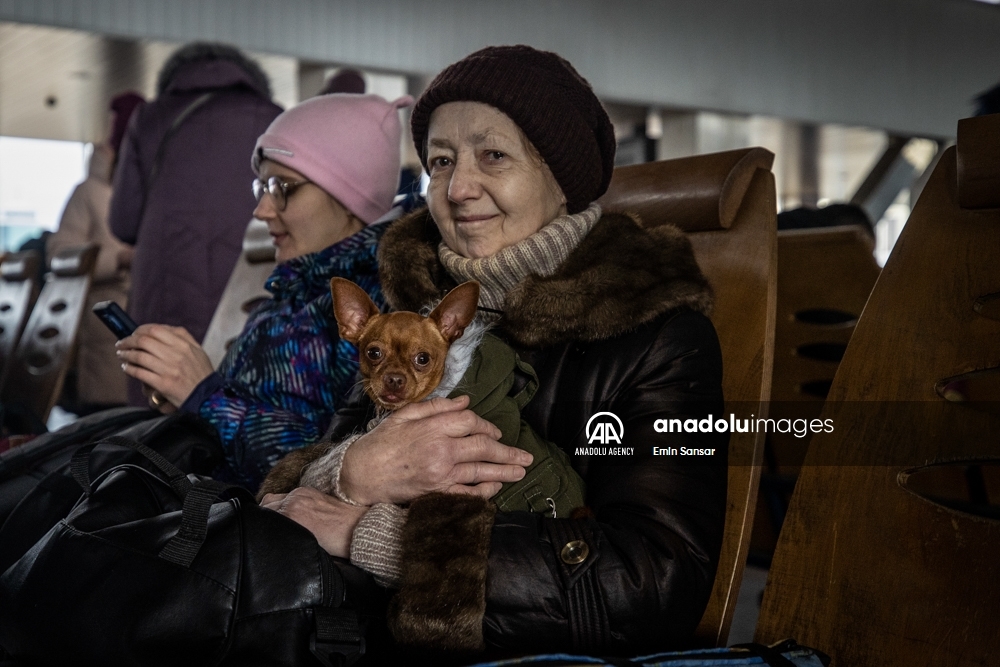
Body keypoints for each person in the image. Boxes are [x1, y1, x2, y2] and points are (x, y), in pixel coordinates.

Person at [262, 45, 728, 658]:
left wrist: (378, 538)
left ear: (561, 181)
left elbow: (655, 579)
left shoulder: (662, 336)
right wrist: (350, 471)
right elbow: (321, 469)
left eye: (493, 156)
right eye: (440, 161)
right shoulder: (414, 316)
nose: (457, 188)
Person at [115, 93, 415, 491]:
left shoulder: (373, 312)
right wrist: (186, 398)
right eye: (262, 186)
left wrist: (206, 397)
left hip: (239, 530)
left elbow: (329, 467)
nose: (261, 210)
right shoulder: (297, 287)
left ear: (349, 198)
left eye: (282, 187)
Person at [108, 42, 283, 406]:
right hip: (253, 287)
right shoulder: (274, 117)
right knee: (243, 409)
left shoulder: (150, 117)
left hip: (164, 288)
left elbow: (123, 222)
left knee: (156, 409)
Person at [47, 91, 144, 413]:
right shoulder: (88, 192)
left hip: (151, 316)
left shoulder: (156, 188)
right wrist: (117, 259)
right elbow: (59, 253)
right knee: (106, 426)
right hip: (106, 326)